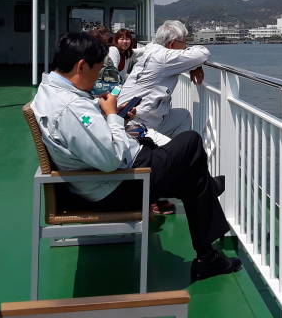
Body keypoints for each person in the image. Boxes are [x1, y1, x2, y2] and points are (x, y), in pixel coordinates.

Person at [31, 32, 241, 281]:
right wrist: (111, 116)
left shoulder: (50, 91)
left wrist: (113, 116)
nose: (99, 76)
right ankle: (207, 240)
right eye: (97, 70)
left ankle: (208, 252)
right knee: (191, 143)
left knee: (191, 173)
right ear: (81, 66)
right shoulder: (70, 108)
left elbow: (92, 141)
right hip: (117, 186)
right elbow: (110, 159)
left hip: (101, 181)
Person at [117, 20, 208, 139]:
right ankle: (173, 154)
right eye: (184, 43)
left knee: (183, 115)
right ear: (171, 45)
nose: (185, 47)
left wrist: (195, 65)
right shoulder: (165, 57)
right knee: (186, 137)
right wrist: (195, 63)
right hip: (137, 126)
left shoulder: (152, 49)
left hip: (121, 118)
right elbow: (203, 53)